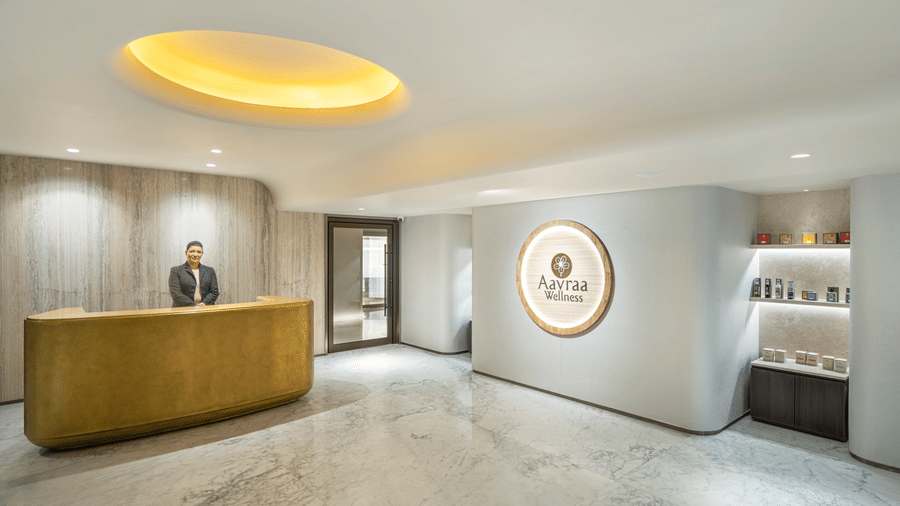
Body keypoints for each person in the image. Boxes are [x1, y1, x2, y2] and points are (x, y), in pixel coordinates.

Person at [169, 240, 219, 307]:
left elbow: (214, 292)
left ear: (202, 254)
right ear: (186, 253)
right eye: (192, 251)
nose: (195, 254)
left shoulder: (210, 271)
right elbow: (176, 294)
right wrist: (194, 306)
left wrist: (203, 304)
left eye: (199, 252)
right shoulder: (176, 270)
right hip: (183, 310)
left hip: (205, 309)